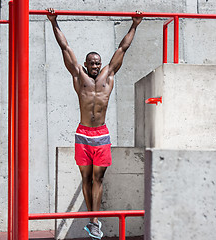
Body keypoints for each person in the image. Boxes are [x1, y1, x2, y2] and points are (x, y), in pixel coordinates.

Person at [46, 8, 143, 239]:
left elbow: (122, 48)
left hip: (101, 134)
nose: (95, 66)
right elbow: (65, 48)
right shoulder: (79, 77)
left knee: (98, 178)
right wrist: (53, 21)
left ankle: (93, 221)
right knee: (86, 178)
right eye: (92, 62)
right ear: (87, 64)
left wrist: (135, 25)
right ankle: (93, 220)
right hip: (83, 133)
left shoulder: (108, 76)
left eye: (97, 63)